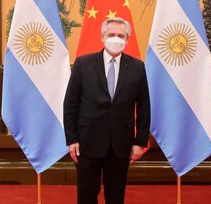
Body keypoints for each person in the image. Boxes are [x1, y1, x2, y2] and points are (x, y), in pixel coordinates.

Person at [64, 17, 150, 204]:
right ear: (103, 37)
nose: (116, 39)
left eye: (121, 35)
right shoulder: (83, 64)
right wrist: (72, 139)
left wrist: (140, 142)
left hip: (121, 144)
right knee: (86, 195)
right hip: (87, 142)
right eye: (111, 35)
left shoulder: (137, 67)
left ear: (127, 39)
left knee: (116, 196)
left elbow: (144, 108)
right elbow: (70, 104)